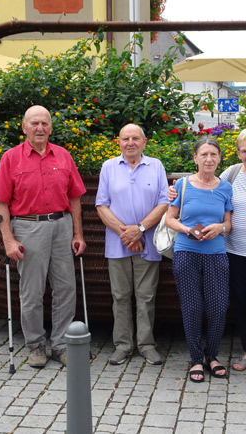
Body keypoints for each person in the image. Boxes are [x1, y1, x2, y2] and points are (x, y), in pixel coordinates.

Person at [169, 129, 246, 375]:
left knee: (245, 303)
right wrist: (177, 202)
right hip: (222, 250)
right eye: (244, 150)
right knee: (227, 303)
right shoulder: (224, 176)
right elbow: (178, 210)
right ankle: (229, 354)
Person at [0, 105, 87, 368]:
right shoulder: (11, 158)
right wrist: (8, 240)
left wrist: (78, 233)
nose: (40, 128)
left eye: (45, 123)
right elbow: (1, 203)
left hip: (62, 226)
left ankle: (61, 345)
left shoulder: (64, 156)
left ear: (51, 127)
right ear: (24, 127)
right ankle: (35, 345)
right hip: (28, 228)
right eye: (34, 123)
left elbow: (75, 198)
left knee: (66, 289)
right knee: (32, 292)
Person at [95, 124, 169, 366]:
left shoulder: (156, 166)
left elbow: (163, 203)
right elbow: (101, 205)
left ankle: (146, 345)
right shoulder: (108, 167)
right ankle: (123, 345)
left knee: (146, 296)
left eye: (135, 138)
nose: (130, 143)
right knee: (120, 296)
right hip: (118, 244)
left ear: (144, 142)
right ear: (118, 142)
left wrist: (140, 230)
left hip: (148, 242)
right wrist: (126, 234)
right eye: (125, 138)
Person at [165, 137, 233, 383]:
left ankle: (211, 355)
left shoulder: (225, 187)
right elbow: (169, 219)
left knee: (218, 307)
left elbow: (228, 223)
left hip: (216, 254)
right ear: (195, 158)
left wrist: (219, 228)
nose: (209, 159)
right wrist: (186, 230)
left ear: (219, 158)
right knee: (192, 307)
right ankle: (196, 358)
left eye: (213, 154)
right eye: (204, 154)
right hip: (186, 252)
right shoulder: (182, 185)